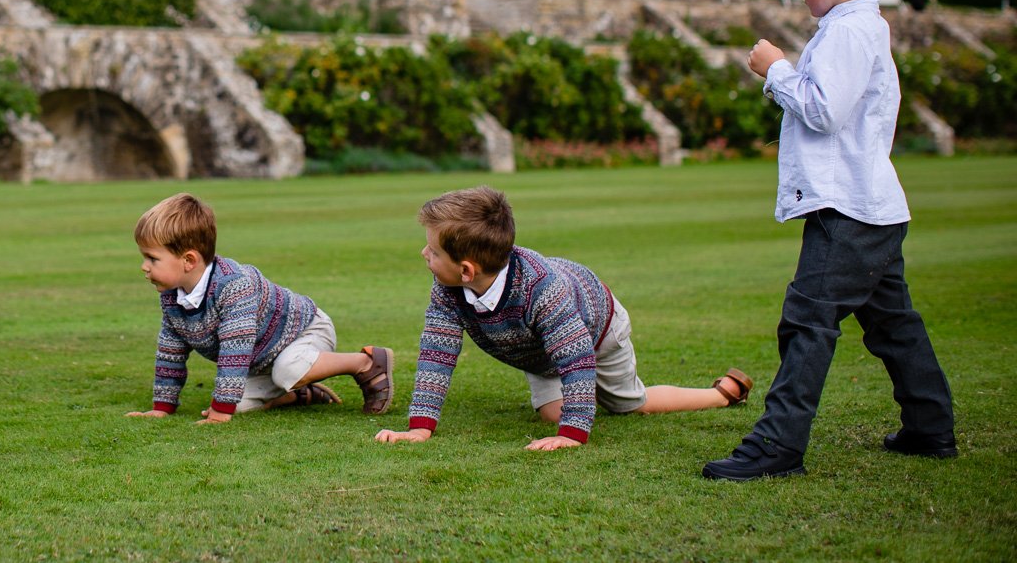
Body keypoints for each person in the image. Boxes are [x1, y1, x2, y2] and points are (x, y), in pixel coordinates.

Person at [703, 0, 955, 480]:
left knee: (806, 323)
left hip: (848, 211)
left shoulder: (848, 33)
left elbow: (822, 111)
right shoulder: (861, 28)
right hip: (871, 207)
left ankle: (777, 447)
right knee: (893, 324)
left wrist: (776, 70)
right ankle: (929, 427)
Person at [375, 186, 752, 450]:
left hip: (596, 330)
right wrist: (420, 428)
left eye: (434, 249)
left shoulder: (543, 290)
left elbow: (577, 361)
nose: (424, 253)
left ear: (468, 269)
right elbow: (436, 356)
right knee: (551, 413)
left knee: (627, 404)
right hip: (535, 346)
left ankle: (720, 395)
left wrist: (573, 434)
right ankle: (572, 409)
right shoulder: (447, 288)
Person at [126, 193, 394, 422]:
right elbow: (170, 353)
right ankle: (298, 394)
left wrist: (222, 412)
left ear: (189, 260)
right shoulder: (173, 296)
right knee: (239, 405)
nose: (144, 266)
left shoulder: (233, 286)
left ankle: (365, 362)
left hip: (304, 331)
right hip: (264, 359)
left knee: (282, 372)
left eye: (152, 258)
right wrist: (162, 407)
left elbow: (235, 351)